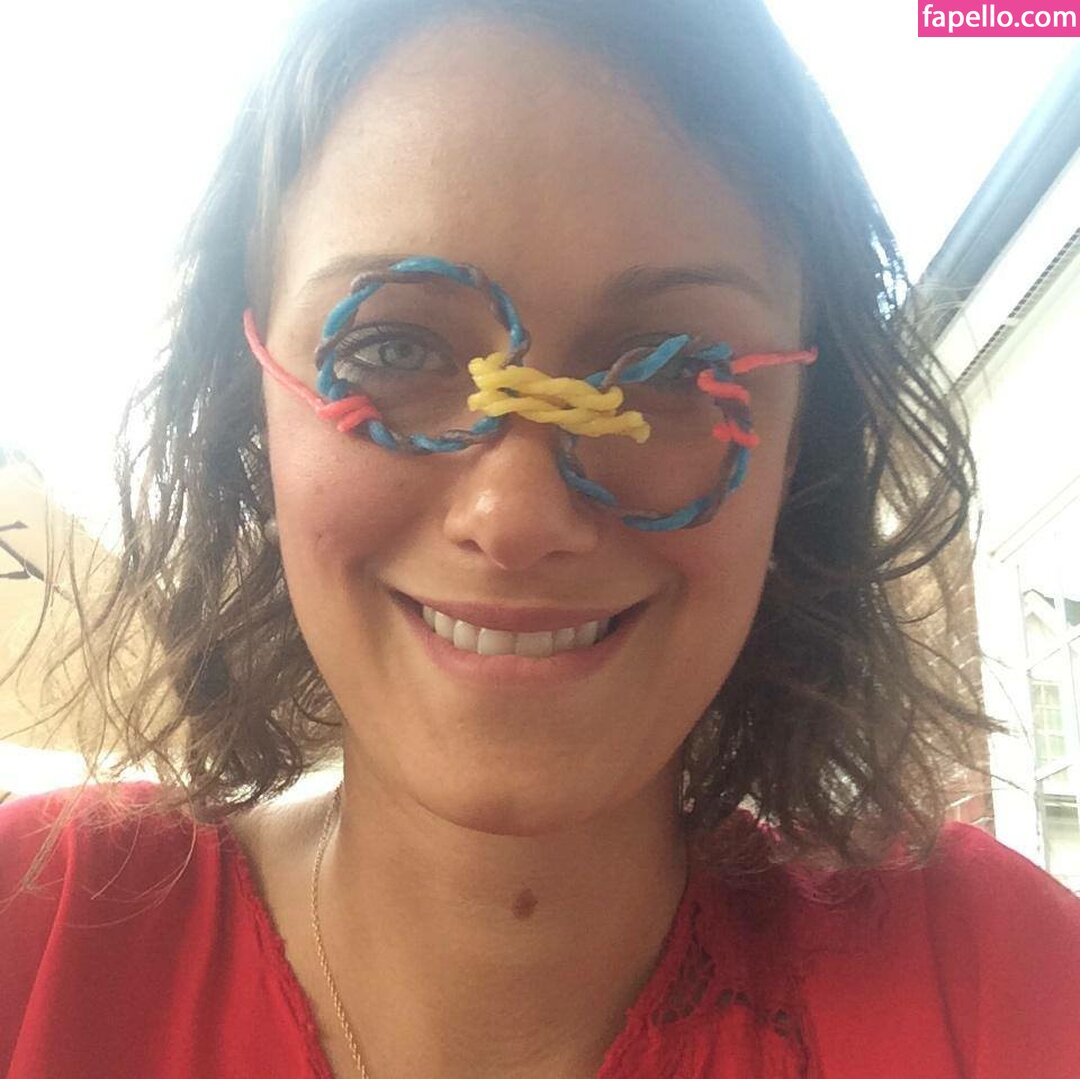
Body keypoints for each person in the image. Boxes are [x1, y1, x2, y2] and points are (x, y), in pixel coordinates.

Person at [2, 0, 1079, 1076]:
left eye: (672, 368)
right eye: (393, 348)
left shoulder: (1004, 982)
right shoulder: (33, 931)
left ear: (800, 446)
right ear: (255, 410)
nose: (514, 517)